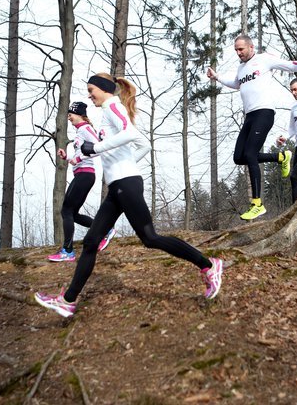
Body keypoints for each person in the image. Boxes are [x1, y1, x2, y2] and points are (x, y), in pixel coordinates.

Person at [35, 73, 223, 318]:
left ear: (103, 89)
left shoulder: (112, 105)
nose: (89, 94)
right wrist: (115, 160)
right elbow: (143, 144)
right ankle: (68, 301)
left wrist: (106, 153)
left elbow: (131, 134)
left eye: (91, 89)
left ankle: (209, 266)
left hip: (126, 184)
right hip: (118, 186)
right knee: (92, 242)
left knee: (150, 237)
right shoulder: (107, 113)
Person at [206, 34, 297, 220]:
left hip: (264, 113)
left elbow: (291, 65)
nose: (238, 53)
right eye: (236, 50)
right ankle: (280, 156)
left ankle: (257, 204)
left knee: (251, 154)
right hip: (250, 116)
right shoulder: (241, 68)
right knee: (239, 157)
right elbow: (235, 84)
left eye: (241, 49)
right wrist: (217, 77)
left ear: (251, 47)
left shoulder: (263, 59)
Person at [46, 101, 116, 262]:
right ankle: (105, 229)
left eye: (71, 114)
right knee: (72, 214)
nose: (69, 118)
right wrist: (68, 157)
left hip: (86, 174)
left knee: (66, 211)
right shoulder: (80, 132)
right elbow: (81, 155)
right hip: (82, 174)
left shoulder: (85, 129)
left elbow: (98, 148)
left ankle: (68, 251)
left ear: (79, 114)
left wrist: (78, 157)